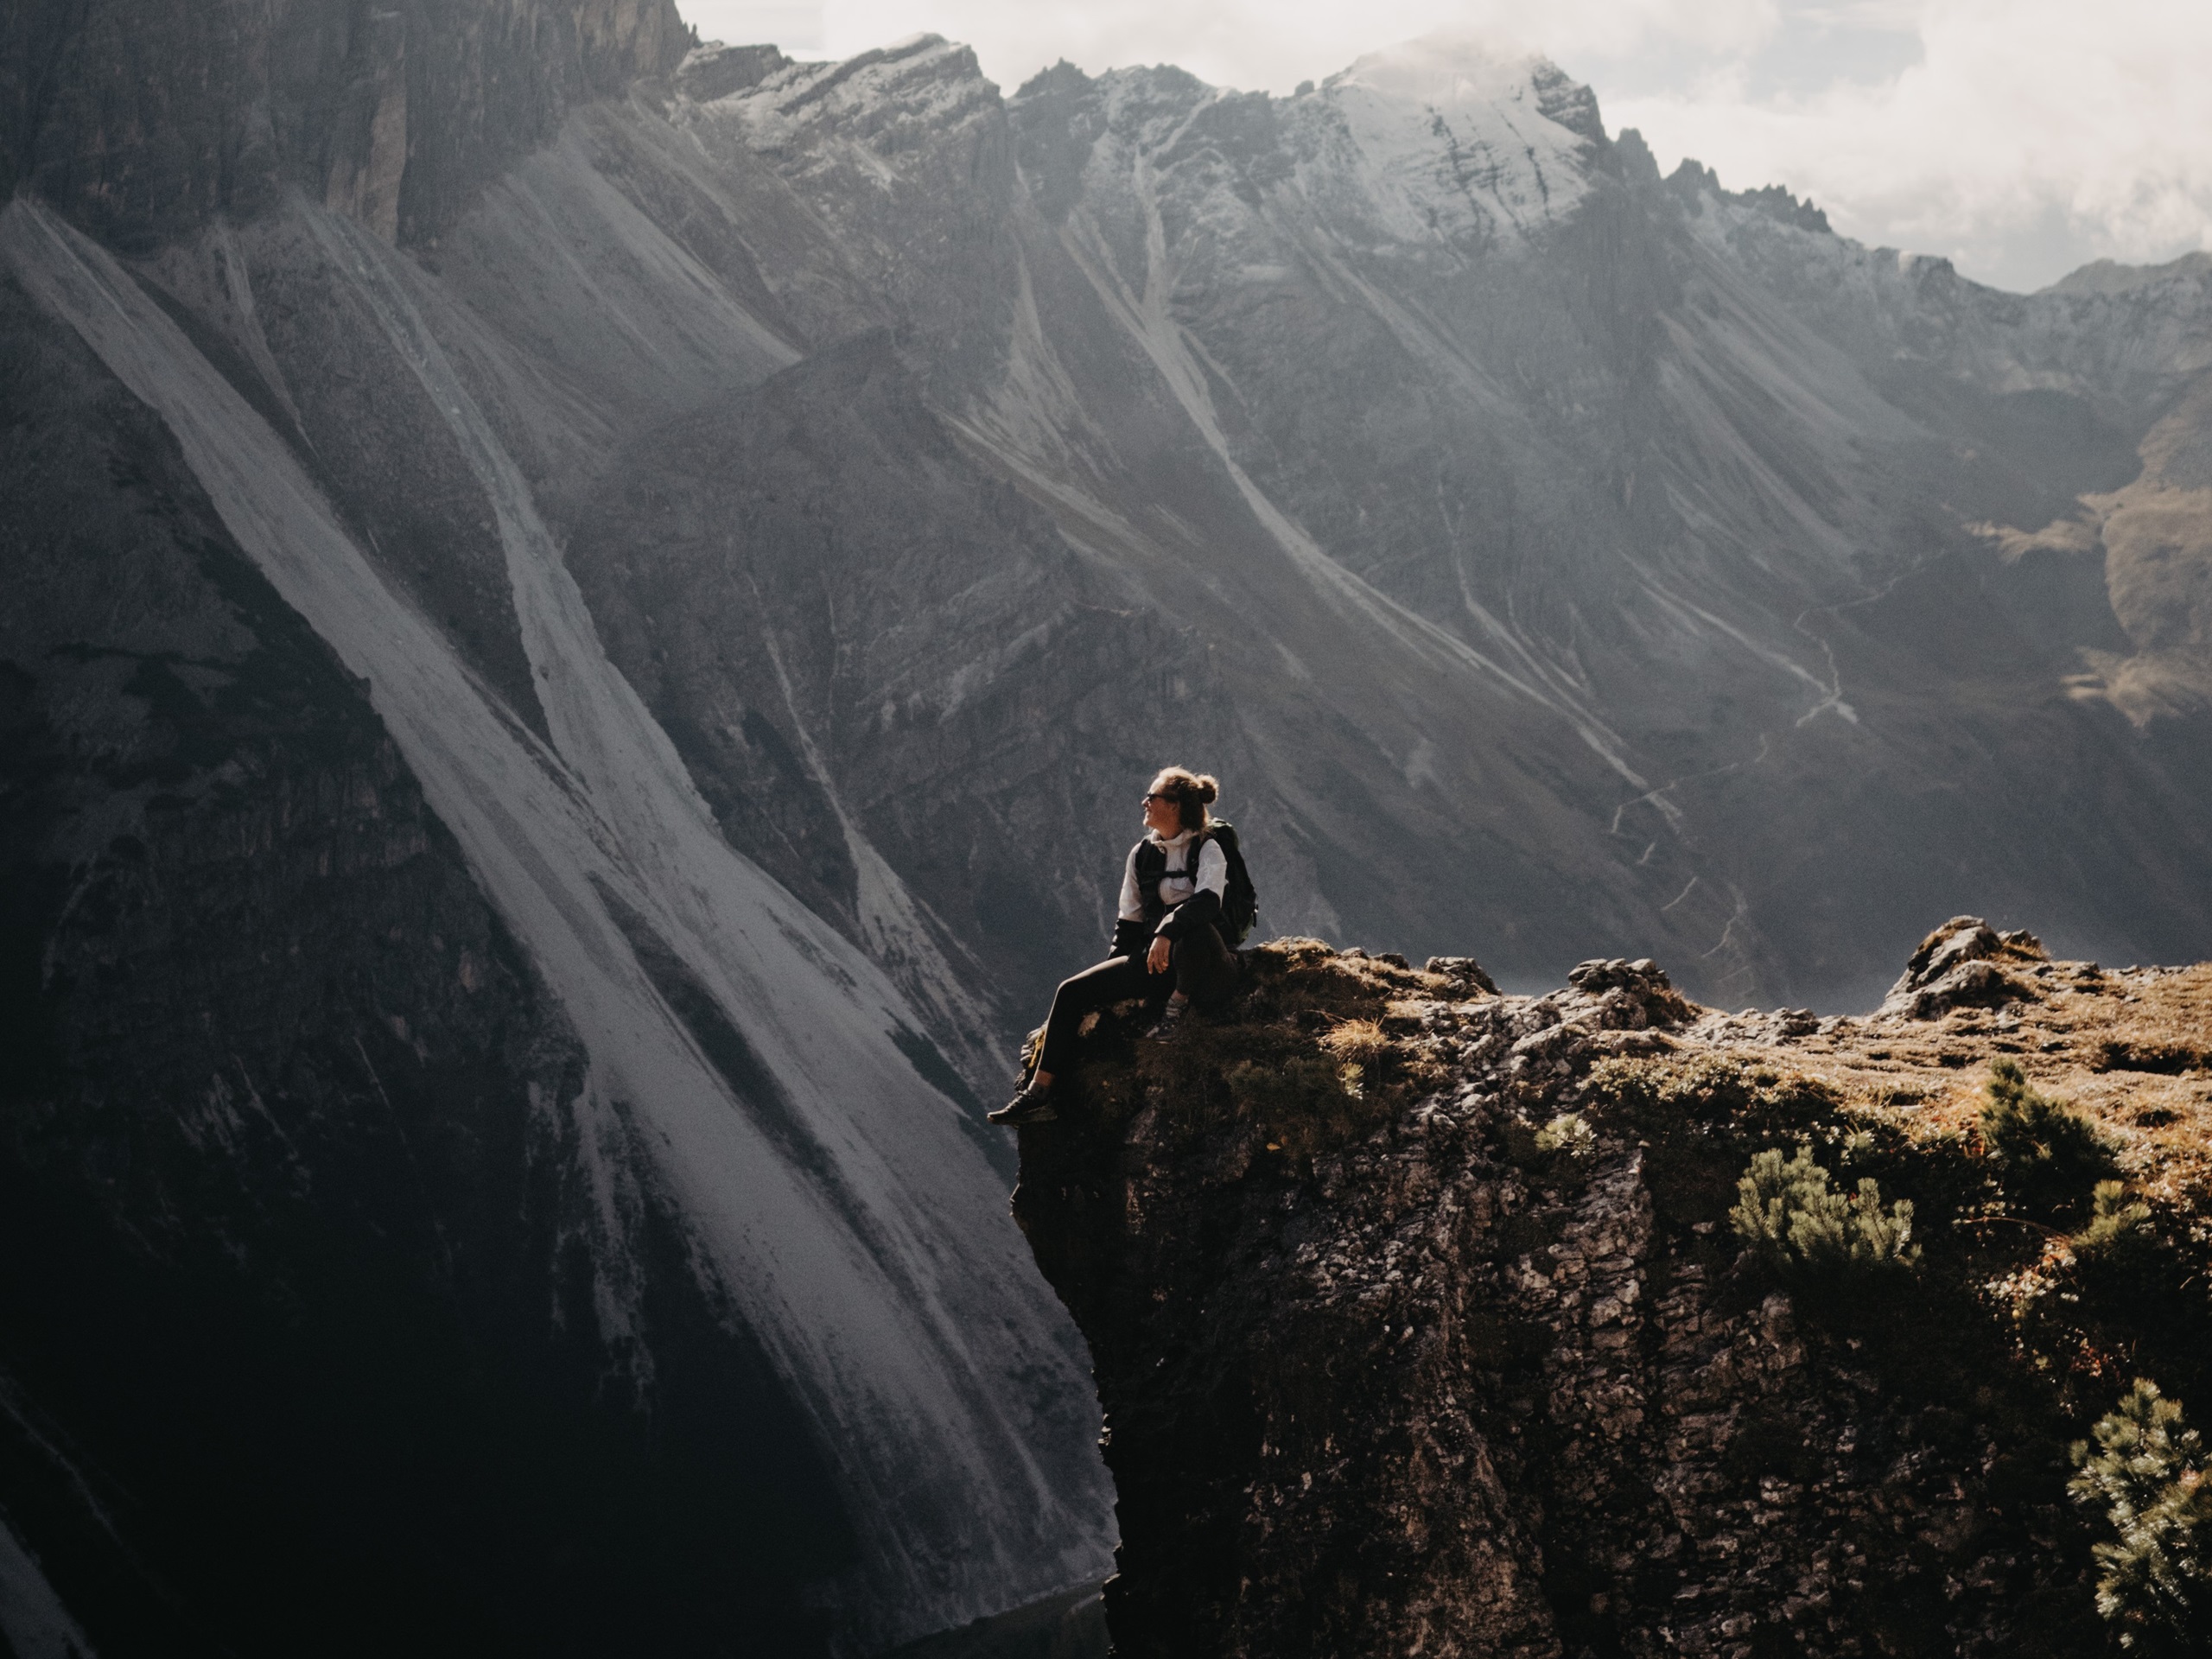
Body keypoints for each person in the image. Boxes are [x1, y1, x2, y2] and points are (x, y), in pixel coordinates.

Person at [989, 768, 1243, 1127]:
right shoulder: (1142, 854)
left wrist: (1167, 930)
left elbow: (1208, 901)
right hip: (1158, 962)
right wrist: (1116, 977)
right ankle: (1038, 1094)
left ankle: (1176, 1010)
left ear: (1174, 806)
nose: (1145, 802)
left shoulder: (1208, 847)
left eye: (1152, 797)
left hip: (1206, 967)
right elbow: (1130, 920)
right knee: (1071, 991)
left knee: (1195, 932)